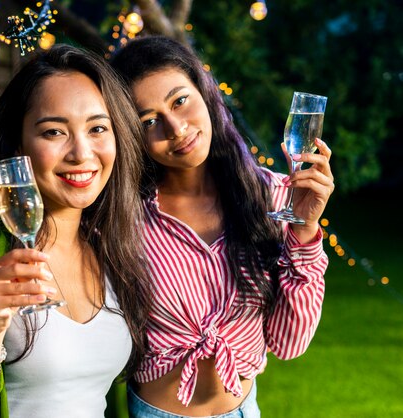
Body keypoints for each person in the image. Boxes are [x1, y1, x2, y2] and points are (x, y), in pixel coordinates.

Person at [0, 44, 152, 417]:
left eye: (98, 128)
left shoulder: (114, 245)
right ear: (17, 143)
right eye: (54, 132)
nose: (81, 153)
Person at [110, 35, 334, 417]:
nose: (176, 128)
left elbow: (289, 343)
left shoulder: (274, 197)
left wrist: (306, 230)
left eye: (180, 100)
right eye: (149, 121)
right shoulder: (123, 218)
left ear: (205, 92)